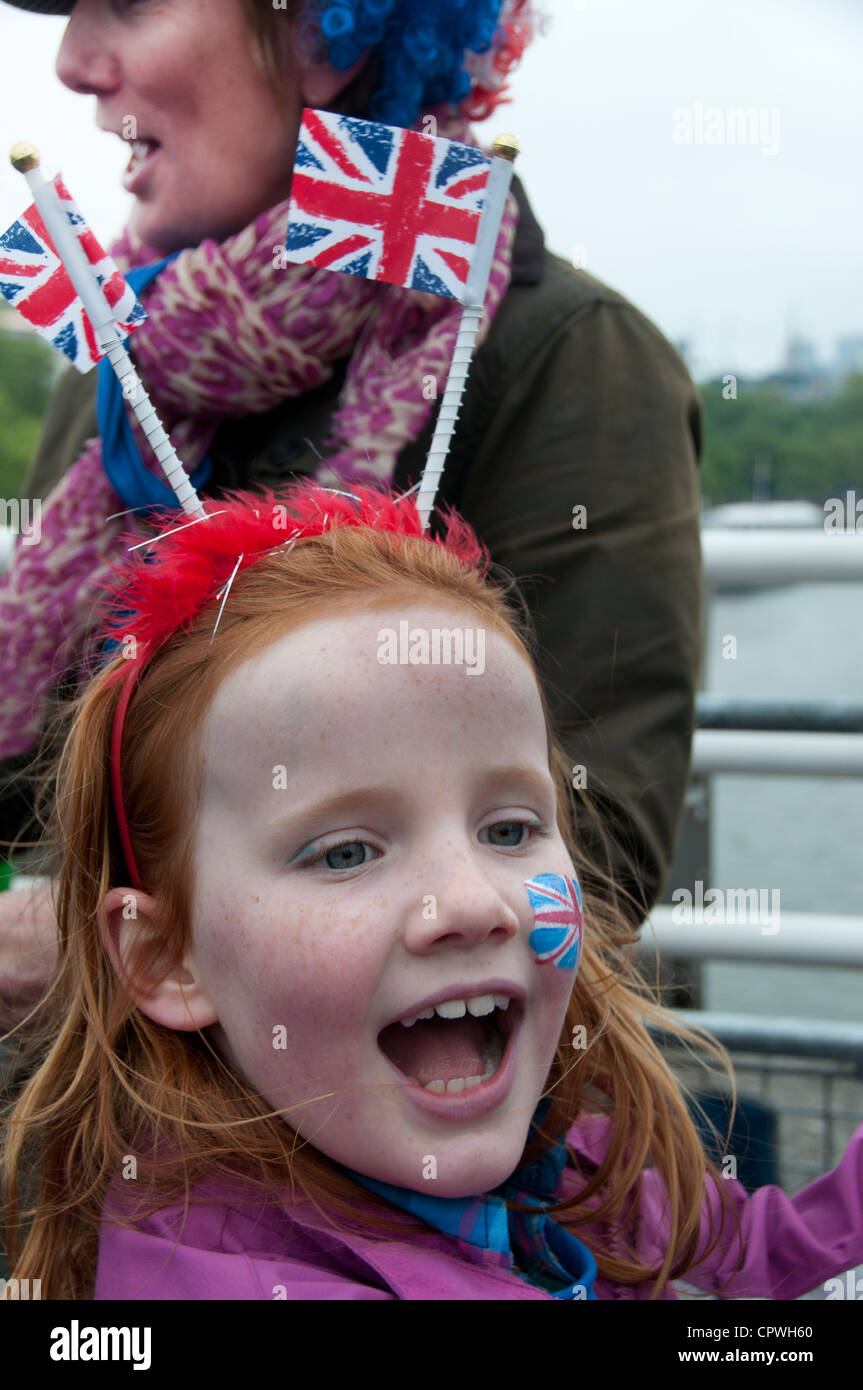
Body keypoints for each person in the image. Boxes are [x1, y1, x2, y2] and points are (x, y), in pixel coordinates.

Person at [0, 0, 704, 1026]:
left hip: (375, 1153)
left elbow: (593, 855)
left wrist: (91, 939)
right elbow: (31, 778)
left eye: (129, 1)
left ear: (320, 34)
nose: (73, 64)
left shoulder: (564, 359)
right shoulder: (124, 365)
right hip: (81, 1143)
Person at [2, 479, 861, 1301]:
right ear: (164, 957)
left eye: (509, 830)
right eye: (344, 854)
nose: (471, 903)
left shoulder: (570, 1162)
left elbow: (762, 1260)